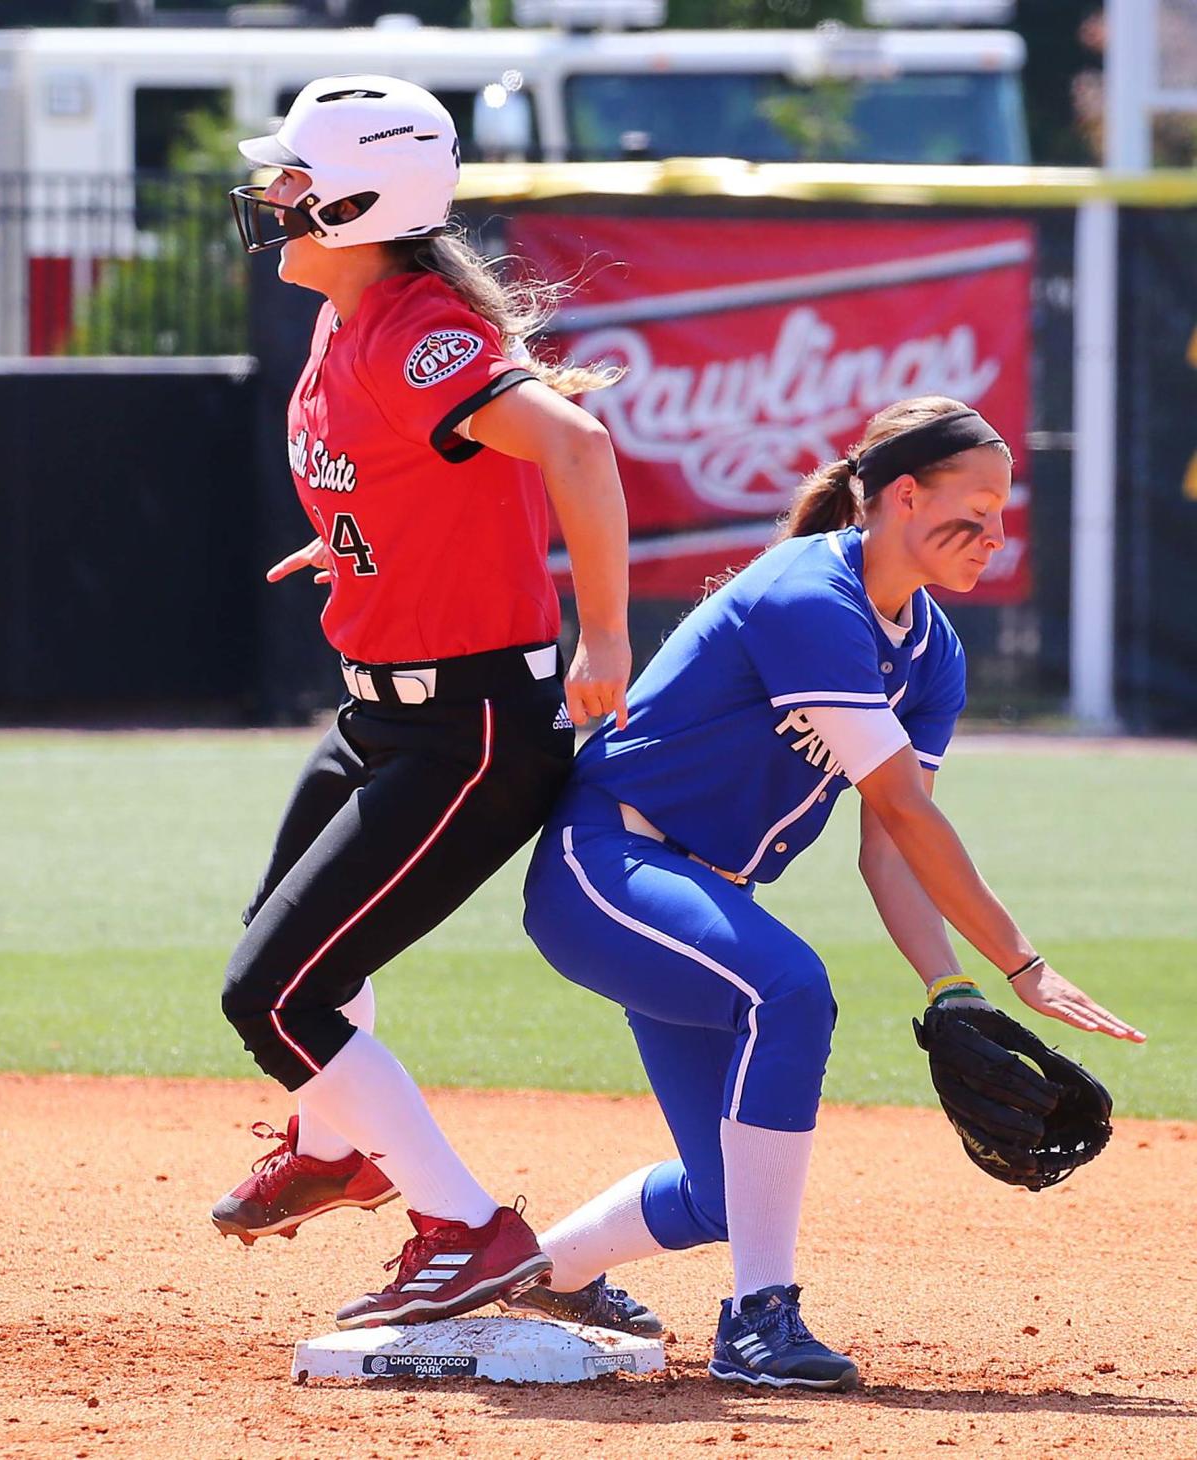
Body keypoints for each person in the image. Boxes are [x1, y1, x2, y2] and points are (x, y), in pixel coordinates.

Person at [517, 395, 1145, 1388]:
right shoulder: (810, 595)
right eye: (976, 508)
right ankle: (758, 1321)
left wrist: (950, 987)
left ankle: (536, 1271)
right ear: (904, 495)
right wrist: (1019, 964)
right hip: (606, 865)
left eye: (1003, 512)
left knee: (726, 1190)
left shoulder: (933, 651)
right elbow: (902, 808)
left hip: (700, 892)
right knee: (790, 991)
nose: (996, 533)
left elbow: (887, 851)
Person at [213, 73, 642, 1333]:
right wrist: (366, 539)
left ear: (358, 205)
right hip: (381, 715)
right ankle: (335, 1146)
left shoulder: (414, 329)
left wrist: (608, 632)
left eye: (295, 180)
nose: (273, 197)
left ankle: (467, 1228)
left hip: (472, 729)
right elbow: (417, 474)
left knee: (274, 995)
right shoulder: (344, 319)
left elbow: (577, 446)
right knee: (292, 951)